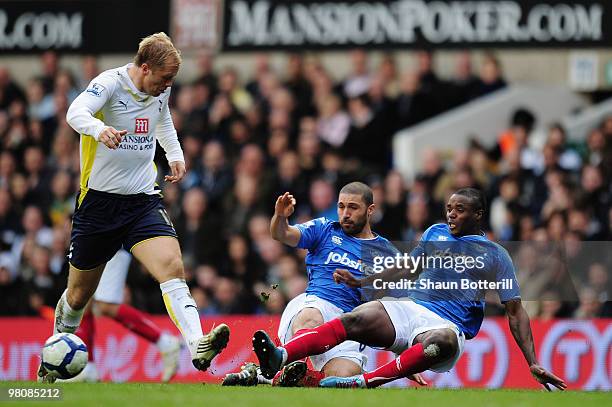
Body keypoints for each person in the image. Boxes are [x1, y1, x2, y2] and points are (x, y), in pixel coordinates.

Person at [38, 33, 229, 383]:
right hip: (98, 205)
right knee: (79, 296)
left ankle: (196, 343)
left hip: (142, 200)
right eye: (163, 80)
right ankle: (54, 358)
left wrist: (174, 153)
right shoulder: (108, 84)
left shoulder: (161, 89)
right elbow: (74, 111)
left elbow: (162, 118)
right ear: (144, 68)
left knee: (172, 266)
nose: (168, 86)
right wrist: (98, 129)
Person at [252, 188, 566, 391]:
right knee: (359, 316)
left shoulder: (496, 255)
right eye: (448, 208)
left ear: (478, 215)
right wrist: (361, 281)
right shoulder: (435, 233)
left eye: (459, 210)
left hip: (448, 325)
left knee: (440, 342)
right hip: (413, 309)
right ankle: (280, 356)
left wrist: (532, 361)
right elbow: (407, 267)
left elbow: (516, 310)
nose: (450, 215)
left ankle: (364, 383)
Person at [224, 182, 424, 387]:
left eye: (353, 207)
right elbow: (281, 234)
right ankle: (286, 359)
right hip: (316, 304)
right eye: (341, 206)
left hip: (351, 324)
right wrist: (280, 217)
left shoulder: (387, 253)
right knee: (312, 317)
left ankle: (264, 376)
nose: (345, 213)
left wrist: (404, 354)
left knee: (344, 377)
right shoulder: (324, 230)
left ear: (370, 210)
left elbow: (391, 310)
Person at [70, 250, 182, 383]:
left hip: (107, 241)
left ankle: (165, 342)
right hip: (97, 241)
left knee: (105, 304)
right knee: (83, 300)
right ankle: (88, 367)